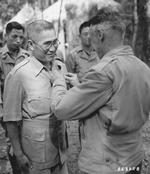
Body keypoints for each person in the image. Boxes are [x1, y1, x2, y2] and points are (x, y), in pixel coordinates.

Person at [51, 8, 150, 174]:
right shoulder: (143, 67)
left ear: (100, 36)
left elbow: (61, 109)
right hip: (134, 158)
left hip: (105, 164)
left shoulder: (104, 71)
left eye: (91, 35)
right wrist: (80, 86)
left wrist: (59, 79)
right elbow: (115, 100)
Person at [3, 20, 68, 174]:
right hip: (36, 156)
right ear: (31, 45)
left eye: (55, 42)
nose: (53, 48)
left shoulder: (60, 67)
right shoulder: (19, 74)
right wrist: (18, 153)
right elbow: (11, 121)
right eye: (47, 44)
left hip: (61, 150)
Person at [0, 21, 27, 174]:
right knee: (12, 144)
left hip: (25, 108)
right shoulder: (1, 57)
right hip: (8, 111)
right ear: (6, 36)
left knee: (27, 140)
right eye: (14, 36)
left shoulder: (27, 56)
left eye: (21, 37)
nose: (18, 40)